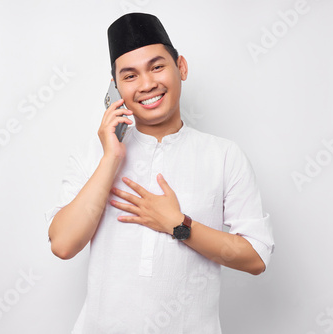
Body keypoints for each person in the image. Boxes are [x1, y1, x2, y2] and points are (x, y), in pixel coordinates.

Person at [46, 12, 274, 334]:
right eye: (130, 76)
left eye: (157, 67)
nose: (147, 84)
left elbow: (255, 258)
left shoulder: (224, 156)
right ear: (115, 89)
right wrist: (111, 157)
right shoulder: (95, 154)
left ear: (180, 67)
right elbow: (63, 244)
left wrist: (179, 226)